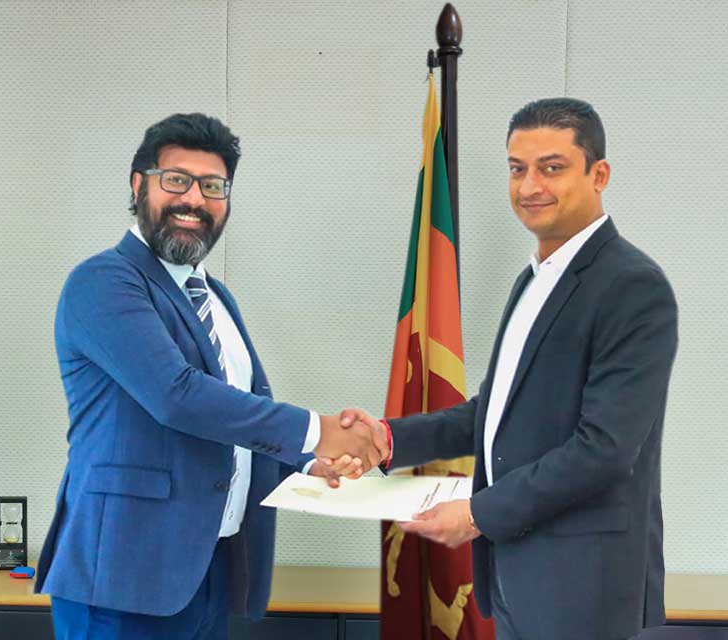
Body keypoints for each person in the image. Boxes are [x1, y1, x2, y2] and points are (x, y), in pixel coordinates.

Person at [35, 112, 388, 639]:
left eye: (212, 186)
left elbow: (230, 419)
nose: (194, 199)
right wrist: (319, 430)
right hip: (123, 577)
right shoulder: (104, 281)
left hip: (207, 570)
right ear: (138, 185)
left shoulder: (214, 296)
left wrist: (305, 464)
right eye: (177, 180)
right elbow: (177, 396)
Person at [347, 98, 678, 640]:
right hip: (516, 572)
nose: (529, 187)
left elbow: (604, 449)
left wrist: (477, 514)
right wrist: (388, 440)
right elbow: (496, 411)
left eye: (552, 168)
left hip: (583, 587)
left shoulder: (632, 286)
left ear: (599, 175)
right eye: (517, 168)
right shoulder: (533, 279)